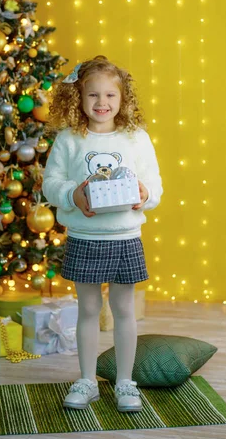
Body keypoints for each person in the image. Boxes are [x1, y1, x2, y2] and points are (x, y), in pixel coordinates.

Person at [42, 55, 163, 412]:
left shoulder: (136, 138)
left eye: (110, 95)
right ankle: (87, 380)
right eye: (93, 95)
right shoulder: (69, 139)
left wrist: (145, 195)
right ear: (78, 99)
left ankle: (125, 382)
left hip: (124, 236)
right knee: (89, 309)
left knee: (124, 309)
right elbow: (51, 183)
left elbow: (154, 183)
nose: (102, 103)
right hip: (85, 236)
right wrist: (72, 195)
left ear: (123, 99)